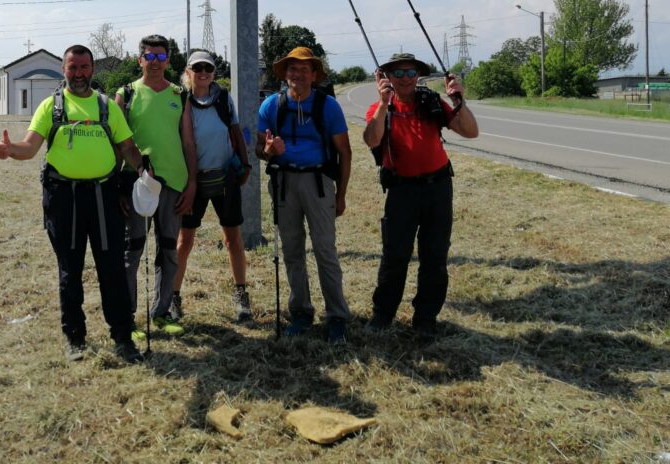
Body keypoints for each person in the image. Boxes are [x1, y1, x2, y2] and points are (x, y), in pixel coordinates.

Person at [0, 45, 145, 364]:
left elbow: (128, 147)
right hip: (64, 199)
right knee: (70, 270)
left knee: (113, 270)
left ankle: (122, 337)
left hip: (104, 198)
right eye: (72, 67)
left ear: (93, 69)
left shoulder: (107, 107)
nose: (78, 73)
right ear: (63, 70)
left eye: (84, 67)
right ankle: (74, 338)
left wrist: (146, 172)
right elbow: (30, 147)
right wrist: (11, 150)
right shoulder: (51, 107)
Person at [362, 52, 479, 336]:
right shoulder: (379, 109)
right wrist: (384, 103)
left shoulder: (431, 102)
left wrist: (458, 99)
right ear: (386, 78)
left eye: (410, 73)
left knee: (435, 256)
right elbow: (371, 139)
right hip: (401, 190)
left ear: (418, 76)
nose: (405, 79)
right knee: (395, 255)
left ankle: (426, 318)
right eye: (398, 74)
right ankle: (383, 315)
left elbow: (470, 131)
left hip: (438, 188)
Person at [256, 46, 353, 343]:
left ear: (314, 74)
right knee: (292, 250)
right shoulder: (272, 105)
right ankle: (300, 311)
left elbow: (345, 153)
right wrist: (269, 151)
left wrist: (341, 195)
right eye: (292, 69)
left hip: (318, 181)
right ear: (285, 74)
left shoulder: (328, 106)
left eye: (304, 69)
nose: (298, 74)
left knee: (325, 250)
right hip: (284, 183)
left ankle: (337, 316)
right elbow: (260, 149)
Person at [117, 35, 198, 338]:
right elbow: (120, 144)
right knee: (132, 251)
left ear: (168, 60)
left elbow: (188, 141)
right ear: (140, 60)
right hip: (138, 184)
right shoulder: (125, 94)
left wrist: (192, 183)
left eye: (160, 57)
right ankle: (127, 318)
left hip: (174, 184)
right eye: (149, 57)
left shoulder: (181, 95)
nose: (155, 63)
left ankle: (161, 313)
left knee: (168, 250)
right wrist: (118, 186)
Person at [171, 50, 253, 323]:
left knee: (233, 239)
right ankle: (173, 297)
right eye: (198, 68)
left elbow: (235, 131)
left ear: (214, 73)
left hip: (225, 176)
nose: (203, 72)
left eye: (208, 68)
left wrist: (246, 163)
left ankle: (241, 295)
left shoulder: (223, 99)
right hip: (191, 180)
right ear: (188, 73)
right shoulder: (180, 101)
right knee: (184, 241)